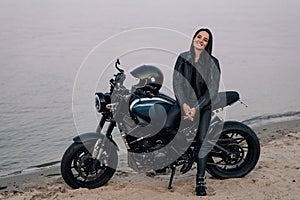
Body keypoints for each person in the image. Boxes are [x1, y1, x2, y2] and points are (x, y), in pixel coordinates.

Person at [172, 28, 221, 196]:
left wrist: (195, 108)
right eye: (199, 37)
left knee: (202, 139)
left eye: (205, 39)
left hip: (203, 105)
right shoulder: (182, 58)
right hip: (184, 103)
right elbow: (177, 83)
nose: (201, 40)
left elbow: (212, 91)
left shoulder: (213, 62)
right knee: (166, 125)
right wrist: (184, 104)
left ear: (208, 44)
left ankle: (200, 180)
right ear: (193, 38)